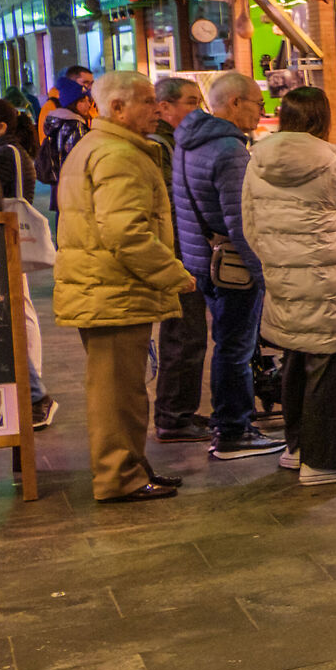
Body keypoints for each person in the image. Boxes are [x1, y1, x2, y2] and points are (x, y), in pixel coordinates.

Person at [52, 71, 191, 502]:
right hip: (113, 290)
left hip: (107, 288)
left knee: (122, 390)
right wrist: (174, 274)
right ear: (117, 108)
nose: (157, 109)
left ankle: (131, 466)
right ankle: (120, 477)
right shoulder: (118, 154)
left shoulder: (102, 146)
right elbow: (126, 234)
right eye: (147, 101)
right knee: (117, 394)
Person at [242, 87, 336, 487]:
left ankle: (297, 449)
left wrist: (279, 262)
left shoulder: (258, 162)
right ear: (322, 119)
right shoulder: (326, 164)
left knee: (296, 364)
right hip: (330, 288)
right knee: (331, 373)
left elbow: (249, 226)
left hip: (285, 283)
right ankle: (326, 464)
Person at [173, 73, 282, 461]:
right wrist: (263, 274)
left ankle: (228, 423)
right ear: (235, 102)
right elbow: (242, 222)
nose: (262, 113)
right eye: (258, 104)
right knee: (236, 348)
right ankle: (234, 430)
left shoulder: (189, 140)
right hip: (231, 266)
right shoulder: (230, 150)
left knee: (227, 344)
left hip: (203, 259)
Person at [0, 99, 53, 427]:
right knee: (14, 311)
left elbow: (9, 198)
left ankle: (33, 392)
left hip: (0, 244)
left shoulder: (4, 153)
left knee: (13, 313)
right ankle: (32, 391)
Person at [148, 76, 211, 443]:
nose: (197, 109)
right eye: (190, 101)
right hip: (178, 253)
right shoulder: (160, 147)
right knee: (184, 335)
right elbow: (171, 206)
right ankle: (173, 417)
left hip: (183, 250)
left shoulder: (176, 142)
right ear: (164, 107)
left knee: (187, 334)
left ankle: (178, 412)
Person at [36, 75, 89, 209]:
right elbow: (79, 159)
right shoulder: (75, 125)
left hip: (59, 181)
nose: (88, 104)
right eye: (83, 100)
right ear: (73, 103)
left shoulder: (57, 121)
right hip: (73, 184)